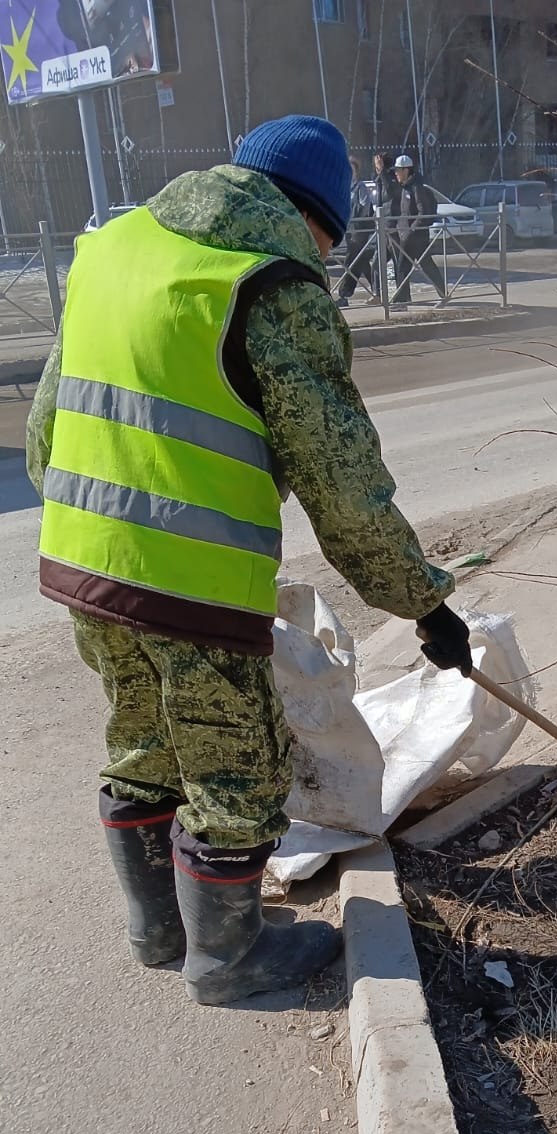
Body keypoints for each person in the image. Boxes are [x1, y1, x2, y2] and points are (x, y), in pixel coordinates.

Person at [26, 115, 471, 1007]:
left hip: (82, 559)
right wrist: (423, 604)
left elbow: (45, 430)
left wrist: (102, 521)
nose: (325, 262)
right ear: (314, 218)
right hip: (190, 582)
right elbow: (342, 481)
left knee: (142, 738)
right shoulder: (271, 285)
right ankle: (229, 960)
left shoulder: (115, 248)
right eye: (329, 244)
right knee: (235, 768)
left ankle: (158, 930)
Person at [390, 154, 447, 305]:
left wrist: (411, 230)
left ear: (406, 170)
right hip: (409, 236)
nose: (396, 173)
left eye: (398, 170)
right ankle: (404, 299)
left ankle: (402, 301)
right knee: (418, 266)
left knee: (406, 267)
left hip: (415, 237)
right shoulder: (405, 187)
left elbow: (423, 211)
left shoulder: (416, 187)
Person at [336, 157, 377, 306]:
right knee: (362, 262)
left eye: (352, 170)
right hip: (349, 230)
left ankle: (343, 295)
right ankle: (378, 291)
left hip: (359, 230)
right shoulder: (346, 188)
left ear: (356, 172)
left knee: (350, 261)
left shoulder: (360, 187)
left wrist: (354, 218)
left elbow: (365, 207)